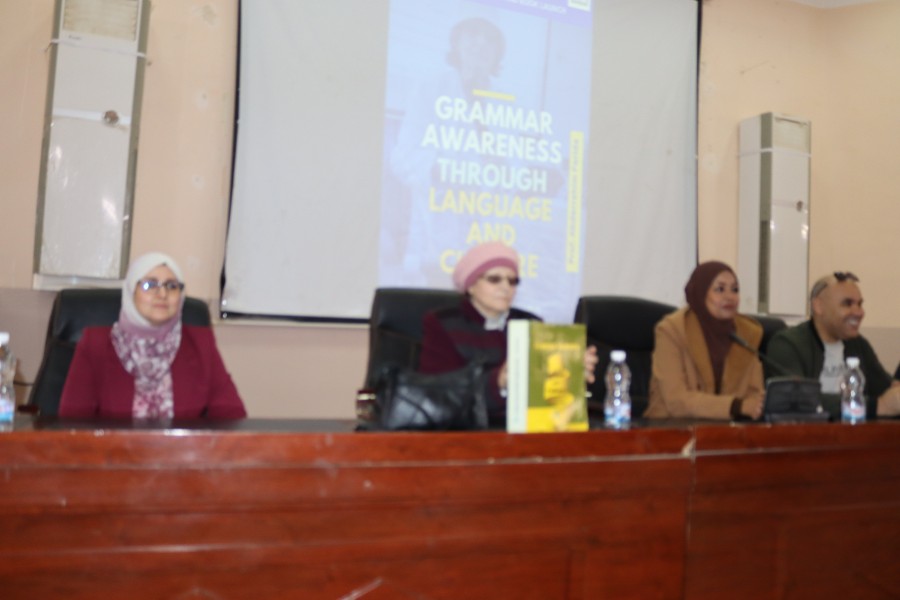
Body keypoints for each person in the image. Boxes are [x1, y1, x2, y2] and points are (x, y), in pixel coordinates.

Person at [418, 241, 598, 426]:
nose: (506, 287)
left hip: (529, 429)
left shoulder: (531, 322)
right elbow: (438, 394)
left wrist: (572, 372)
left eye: (512, 281)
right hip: (470, 431)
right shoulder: (443, 324)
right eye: (494, 279)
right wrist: (498, 382)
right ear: (471, 285)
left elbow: (544, 392)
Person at [59, 252, 247, 420]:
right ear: (131, 291)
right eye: (150, 284)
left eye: (172, 286)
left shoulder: (201, 344)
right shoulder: (95, 344)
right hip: (113, 449)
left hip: (181, 449)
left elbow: (232, 416)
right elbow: (72, 424)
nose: (162, 294)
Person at [766, 272, 900, 419]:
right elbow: (796, 399)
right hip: (808, 431)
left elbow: (885, 388)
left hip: (854, 430)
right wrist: (876, 406)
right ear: (818, 306)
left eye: (859, 304)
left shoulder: (857, 344)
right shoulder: (787, 344)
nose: (859, 312)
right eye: (847, 304)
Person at [644, 261, 765, 420]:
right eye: (720, 289)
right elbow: (676, 400)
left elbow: (756, 394)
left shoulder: (746, 334)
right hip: (671, 427)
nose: (730, 296)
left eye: (735, 289)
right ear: (700, 293)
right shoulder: (672, 331)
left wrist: (756, 405)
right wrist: (736, 406)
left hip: (728, 430)